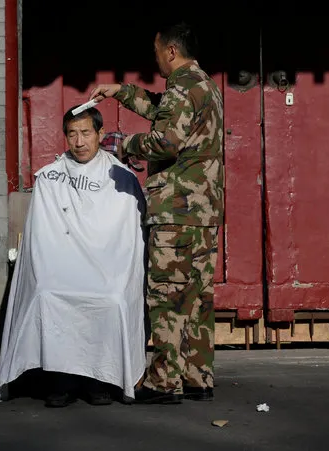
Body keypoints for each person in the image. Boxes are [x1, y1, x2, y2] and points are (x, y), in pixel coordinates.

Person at [89, 21, 224, 404]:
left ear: (170, 51)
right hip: (203, 212)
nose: (155, 58)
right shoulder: (205, 86)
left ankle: (163, 382)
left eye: (156, 51)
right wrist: (123, 93)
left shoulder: (182, 85)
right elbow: (165, 112)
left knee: (166, 296)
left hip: (177, 211)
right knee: (196, 297)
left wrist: (122, 144)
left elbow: (166, 141)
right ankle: (198, 377)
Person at [0, 106, 147, 407]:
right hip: (61, 266)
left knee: (112, 297)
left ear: (100, 135)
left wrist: (110, 267)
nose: (79, 142)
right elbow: (41, 236)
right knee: (47, 292)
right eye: (72, 134)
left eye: (86, 133)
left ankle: (99, 380)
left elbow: (129, 237)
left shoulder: (122, 178)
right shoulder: (51, 177)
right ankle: (61, 381)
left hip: (107, 267)